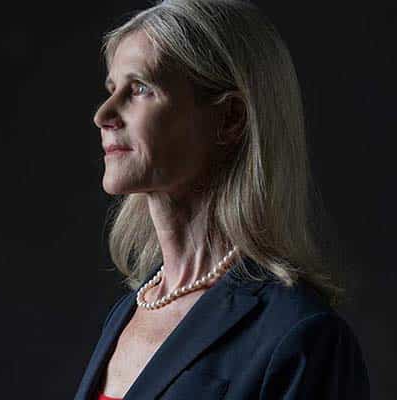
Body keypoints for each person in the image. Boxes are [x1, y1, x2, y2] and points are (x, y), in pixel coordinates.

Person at [75, 0, 370, 399]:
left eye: (140, 88)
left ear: (230, 118)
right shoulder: (128, 312)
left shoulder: (301, 337)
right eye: (112, 90)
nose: (104, 114)